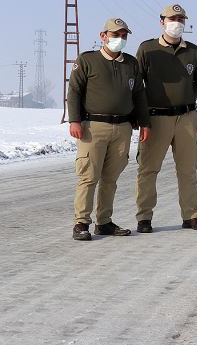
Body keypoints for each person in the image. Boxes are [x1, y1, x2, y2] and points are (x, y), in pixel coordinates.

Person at [68, 18, 150, 241]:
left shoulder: (131, 64)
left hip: (123, 127)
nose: (119, 39)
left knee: (110, 178)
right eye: (115, 35)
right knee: (88, 176)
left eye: (123, 36)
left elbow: (139, 95)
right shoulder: (87, 60)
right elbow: (74, 91)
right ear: (103, 36)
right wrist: (74, 120)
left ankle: (104, 222)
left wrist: (144, 122)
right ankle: (81, 223)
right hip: (93, 127)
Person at [134, 4, 197, 233]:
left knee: (188, 170)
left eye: (180, 18)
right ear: (162, 22)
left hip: (187, 117)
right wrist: (140, 117)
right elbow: (137, 86)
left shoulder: (194, 51)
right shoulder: (147, 49)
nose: (176, 22)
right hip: (156, 117)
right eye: (172, 18)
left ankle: (191, 216)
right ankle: (144, 218)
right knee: (148, 170)